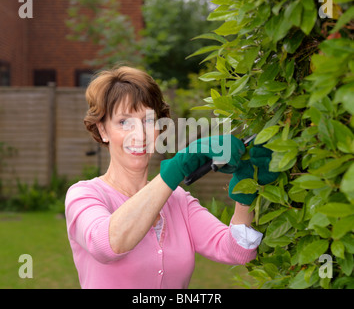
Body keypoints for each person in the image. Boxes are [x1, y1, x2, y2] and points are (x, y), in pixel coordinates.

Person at [65, 66, 278, 289]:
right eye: (124, 122)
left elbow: (237, 251)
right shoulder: (84, 195)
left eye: (148, 121)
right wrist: (175, 169)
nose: (139, 134)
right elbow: (108, 243)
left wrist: (245, 190)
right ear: (102, 131)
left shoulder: (178, 200)